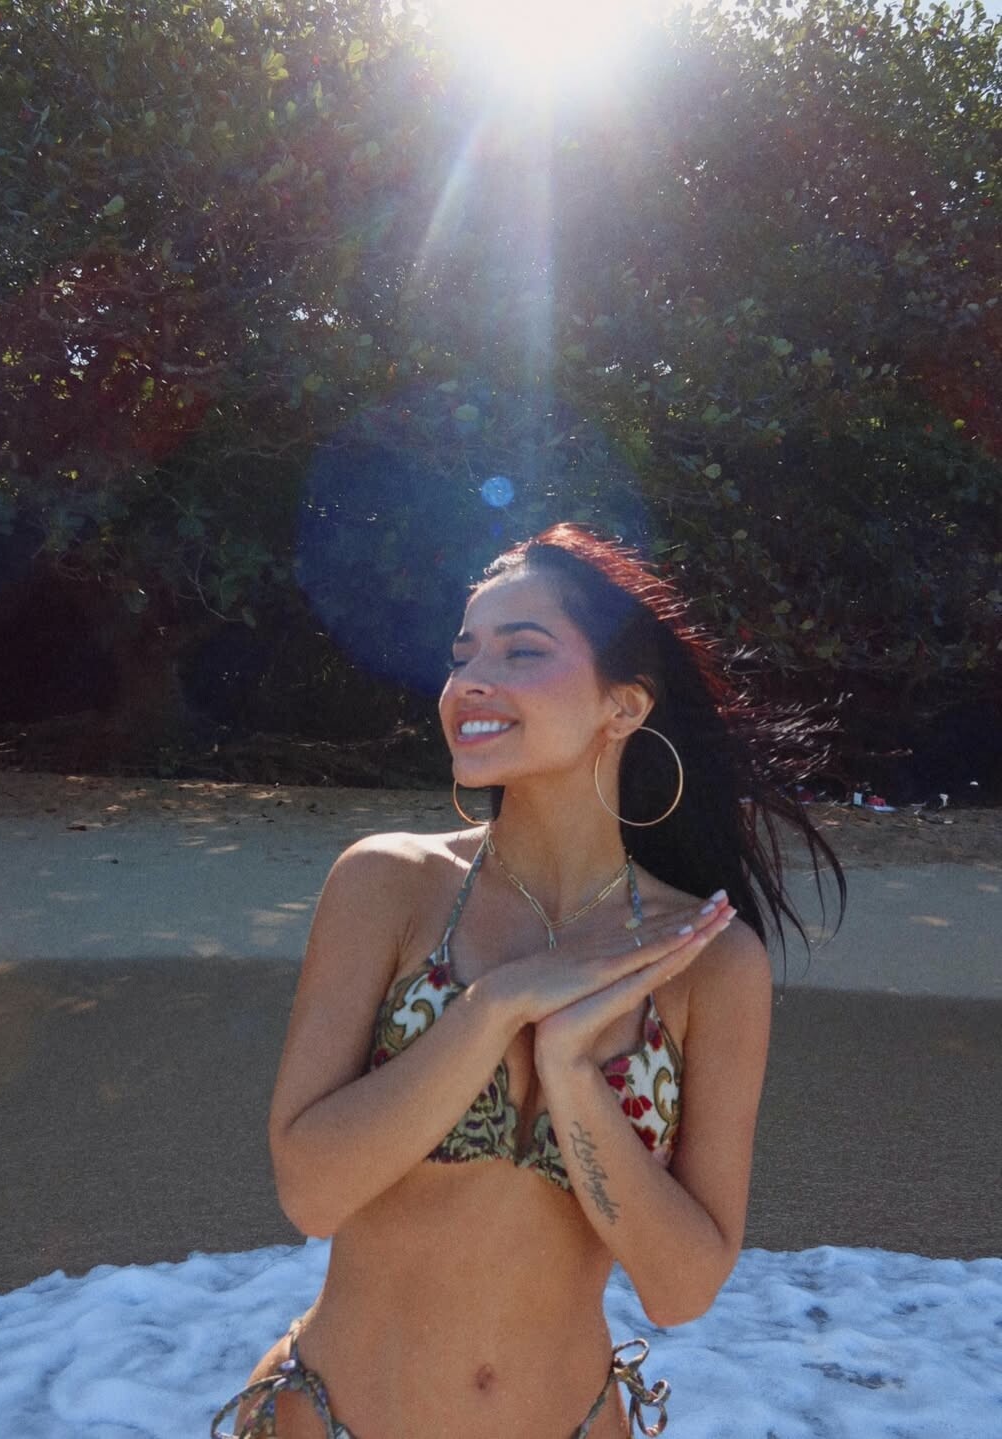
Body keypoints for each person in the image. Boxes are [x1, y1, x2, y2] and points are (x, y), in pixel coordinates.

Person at [211, 522, 846, 1439]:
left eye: (522, 650)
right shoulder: (389, 884)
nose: (471, 680)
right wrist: (498, 1002)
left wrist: (574, 1071)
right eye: (463, 653)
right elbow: (311, 1191)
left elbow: (680, 1288)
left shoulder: (704, 956)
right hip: (329, 1420)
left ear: (622, 706)